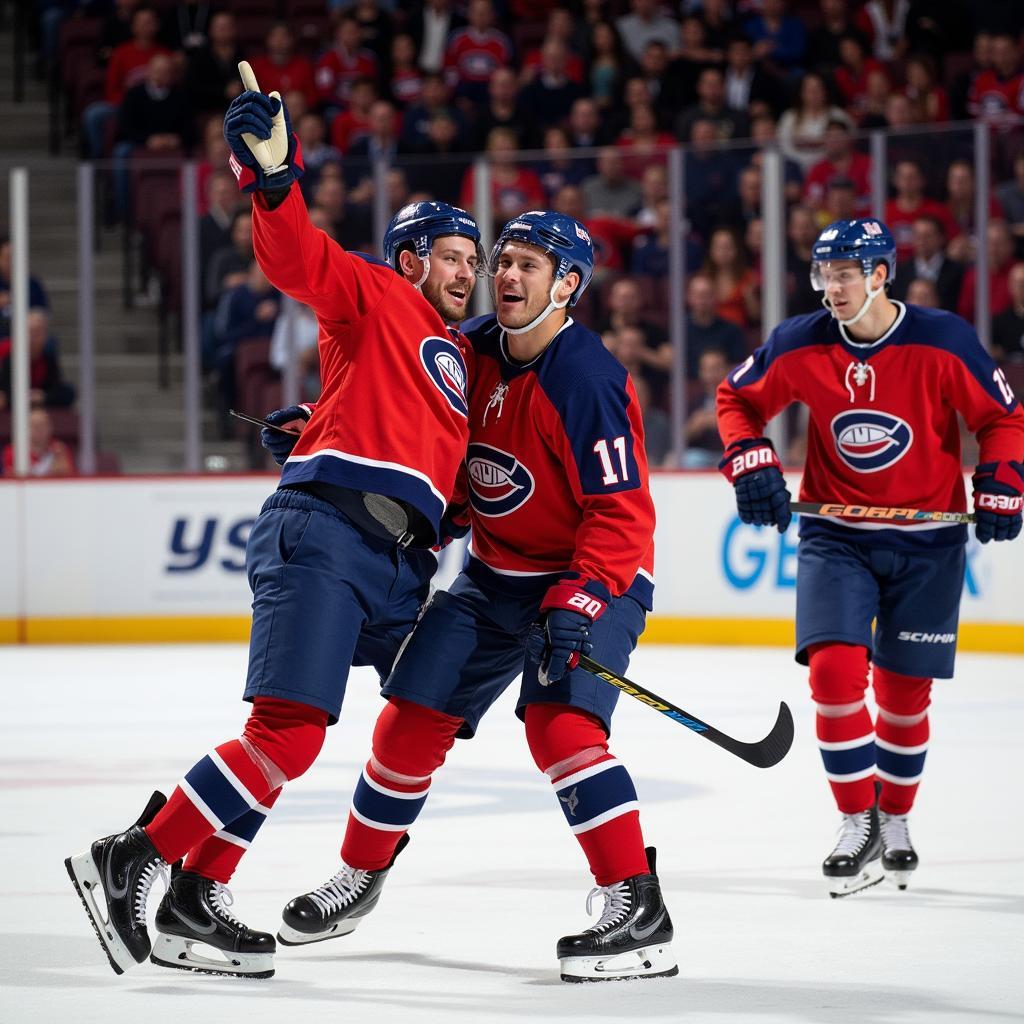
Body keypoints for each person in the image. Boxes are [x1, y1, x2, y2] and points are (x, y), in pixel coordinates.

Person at [65, 66, 484, 981]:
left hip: (391, 561)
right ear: (412, 259)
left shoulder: (454, 360)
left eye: (472, 260)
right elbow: (299, 260)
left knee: (306, 731)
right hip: (328, 533)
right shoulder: (377, 294)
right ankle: (138, 855)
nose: (466, 272)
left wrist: (328, 419)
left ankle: (192, 900)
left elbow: (410, 444)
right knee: (286, 732)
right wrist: (277, 177)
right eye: (451, 255)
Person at [272, 211, 676, 983]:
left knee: (559, 728)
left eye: (532, 265)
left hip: (593, 576)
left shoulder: (587, 379)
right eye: (507, 261)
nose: (510, 277)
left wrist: (583, 599)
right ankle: (360, 877)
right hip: (495, 576)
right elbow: (430, 444)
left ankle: (637, 904)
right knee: (406, 724)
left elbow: (622, 513)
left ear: (569, 286)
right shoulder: (471, 353)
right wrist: (326, 430)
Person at [716, 217, 1024, 898]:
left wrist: (1003, 478)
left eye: (845, 274)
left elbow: (1002, 418)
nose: (831, 288)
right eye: (823, 274)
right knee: (832, 674)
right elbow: (737, 397)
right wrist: (749, 457)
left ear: (881, 274)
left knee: (904, 697)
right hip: (838, 535)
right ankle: (857, 820)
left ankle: (898, 818)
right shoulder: (801, 343)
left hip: (930, 543)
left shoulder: (942, 340)